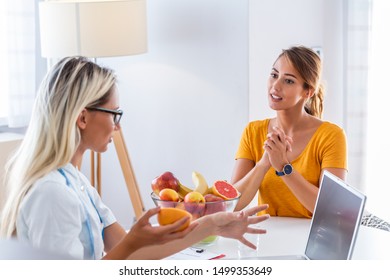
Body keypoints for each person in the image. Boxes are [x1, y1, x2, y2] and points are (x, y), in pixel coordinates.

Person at [0, 56, 269, 260]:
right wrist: (134, 242)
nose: (118, 126)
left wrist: (210, 225)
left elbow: (130, 249)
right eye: (114, 114)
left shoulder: (75, 181)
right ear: (82, 117)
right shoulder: (52, 195)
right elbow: (125, 250)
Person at [232, 46, 347, 218]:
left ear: (308, 92)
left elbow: (331, 209)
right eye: (274, 75)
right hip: (267, 236)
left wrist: (283, 167)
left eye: (289, 81)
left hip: (311, 239)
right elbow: (233, 204)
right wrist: (264, 163)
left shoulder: (331, 136)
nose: (275, 86)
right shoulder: (253, 131)